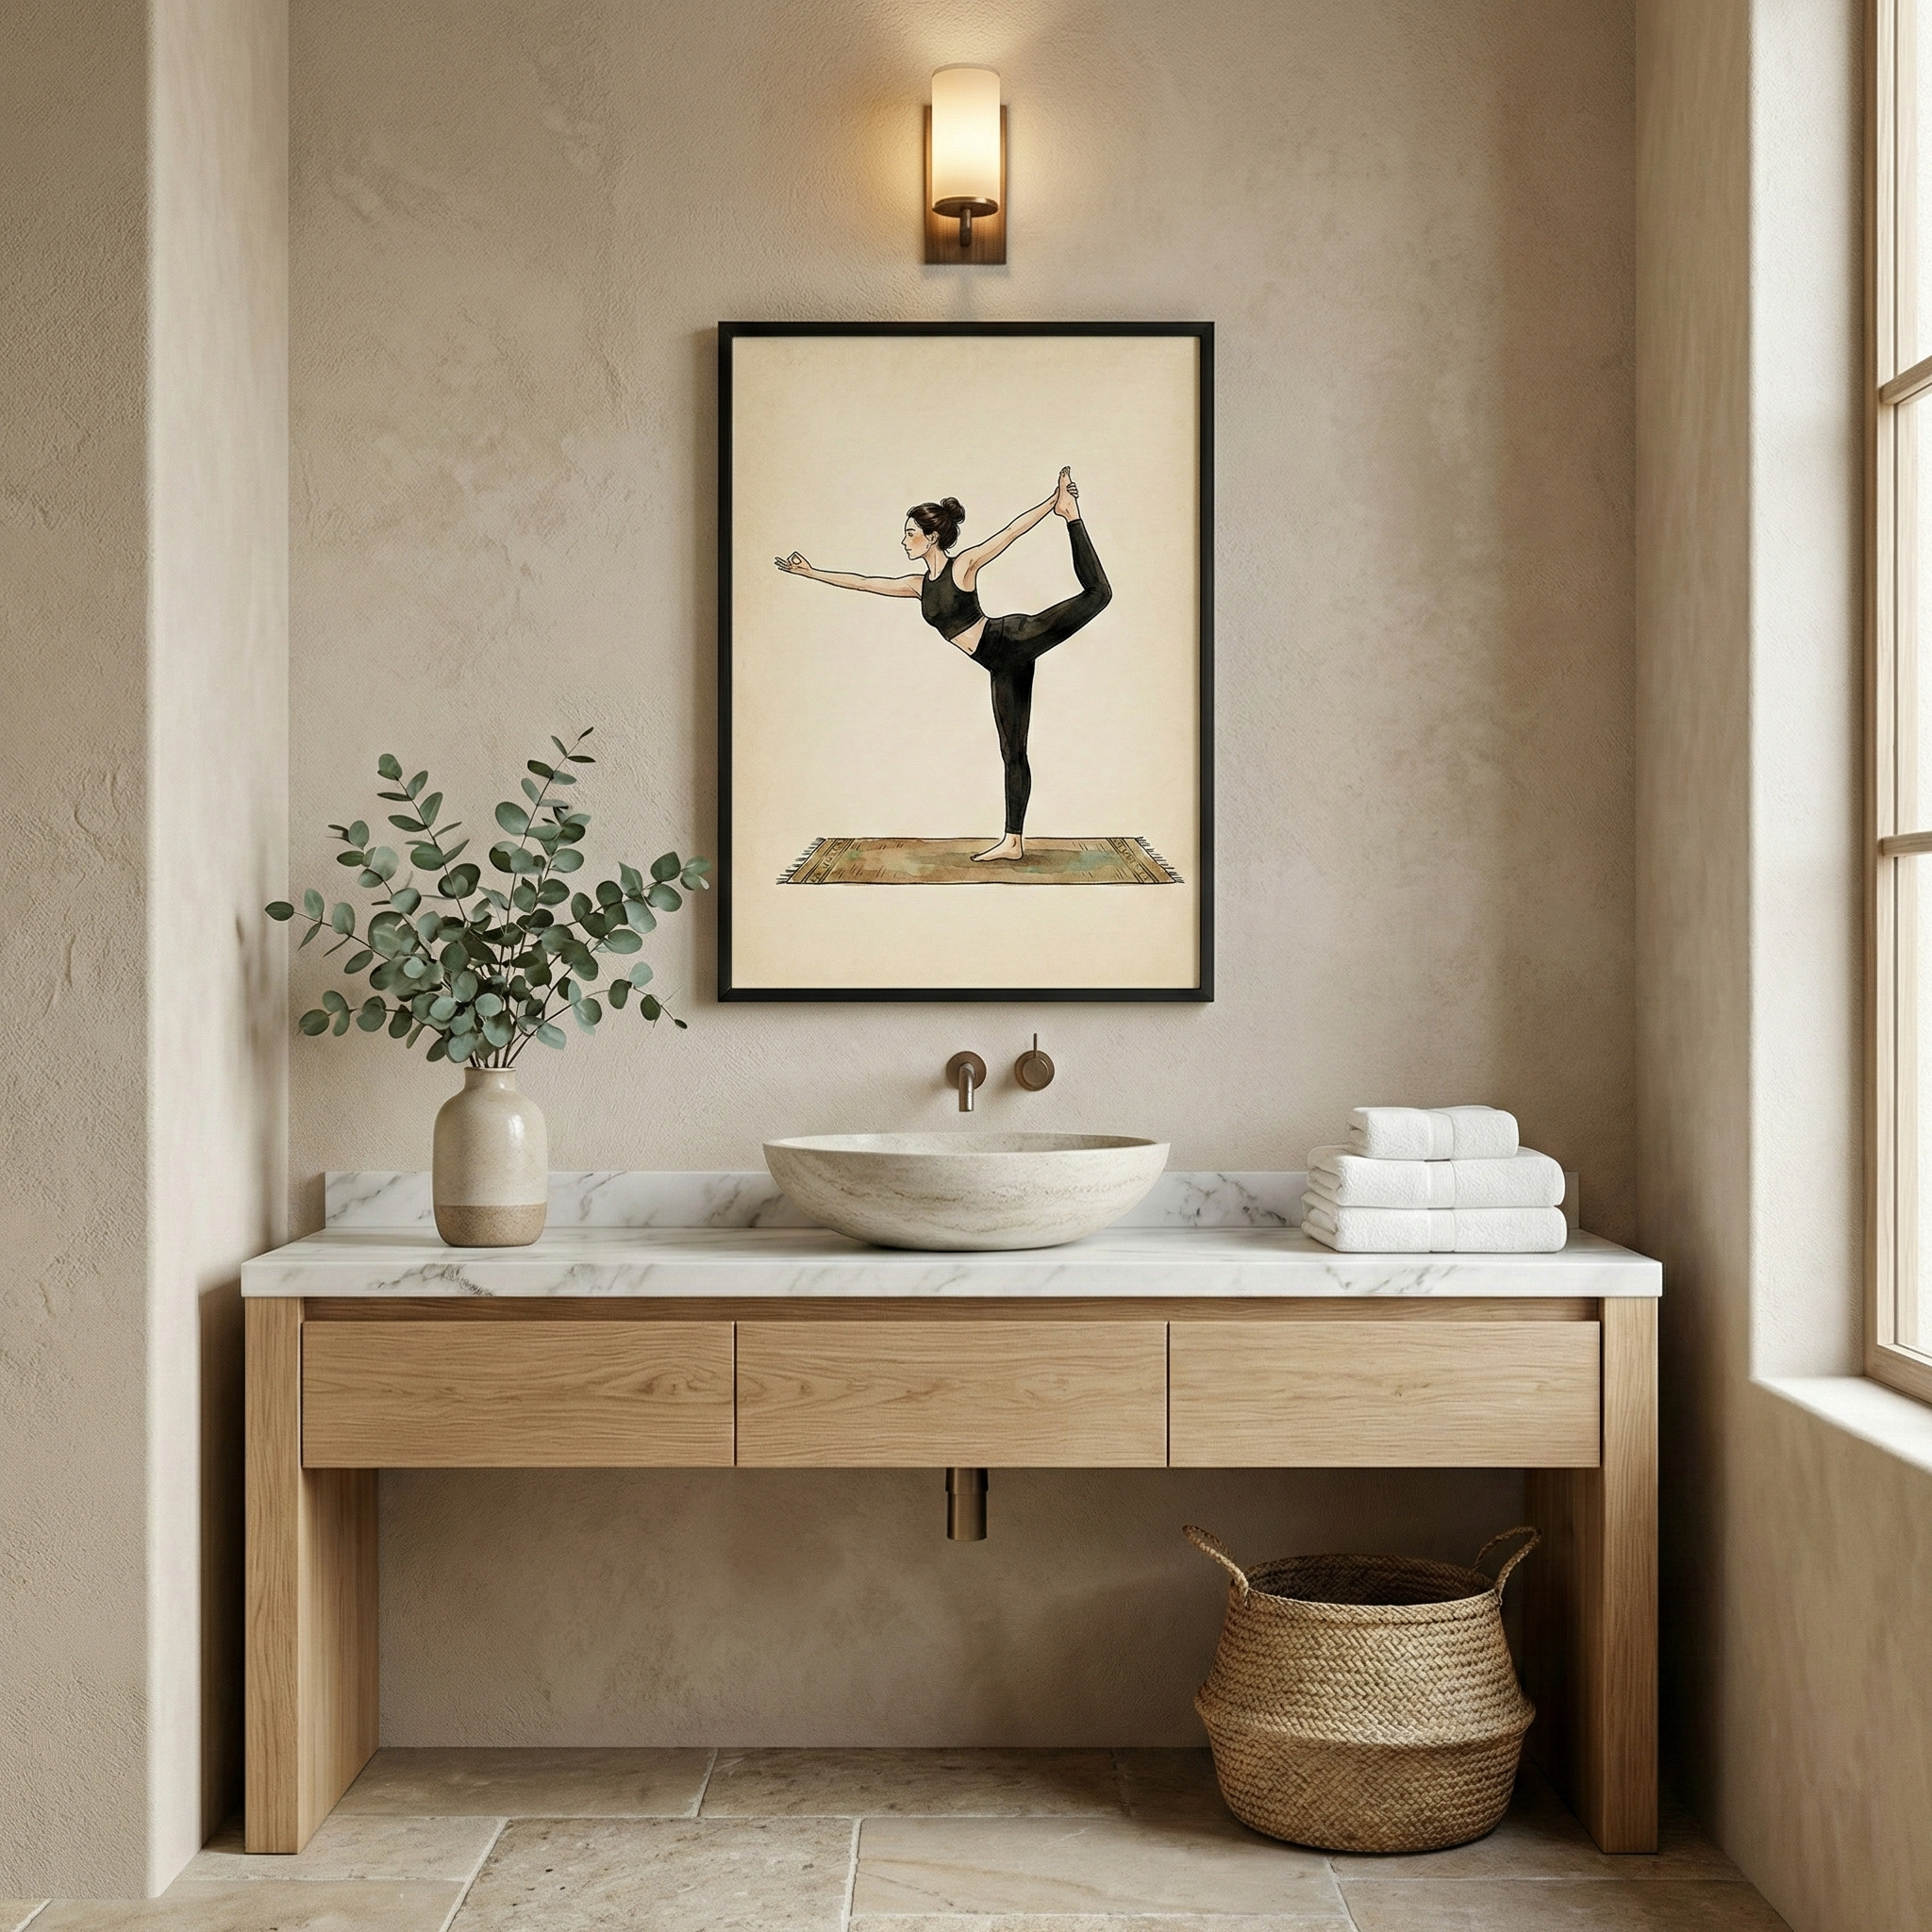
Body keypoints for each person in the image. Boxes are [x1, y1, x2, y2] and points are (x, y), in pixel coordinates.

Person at [775, 466, 1110, 860]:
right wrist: (810, 572)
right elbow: (864, 581)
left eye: (910, 533)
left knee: (1098, 594)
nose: (904, 541)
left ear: (932, 536)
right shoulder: (918, 586)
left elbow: (1011, 532)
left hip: (1013, 637)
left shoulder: (963, 566)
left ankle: (1071, 515)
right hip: (1001, 666)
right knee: (1012, 749)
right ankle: (1013, 843)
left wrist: (1054, 502)